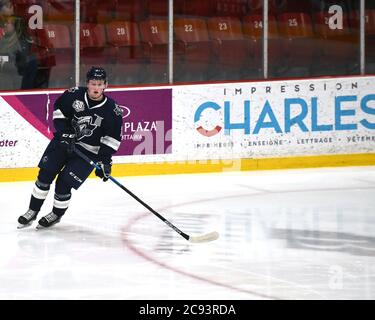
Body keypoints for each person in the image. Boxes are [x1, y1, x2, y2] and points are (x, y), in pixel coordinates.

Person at [18, 66, 123, 229]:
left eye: (100, 84)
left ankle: (56, 215)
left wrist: (104, 162)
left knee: (64, 184)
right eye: (93, 84)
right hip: (63, 142)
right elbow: (59, 112)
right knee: (45, 175)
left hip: (88, 152)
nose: (96, 88)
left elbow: (111, 139)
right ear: (87, 84)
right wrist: (65, 133)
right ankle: (32, 211)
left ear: (105, 85)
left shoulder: (112, 110)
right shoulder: (73, 95)